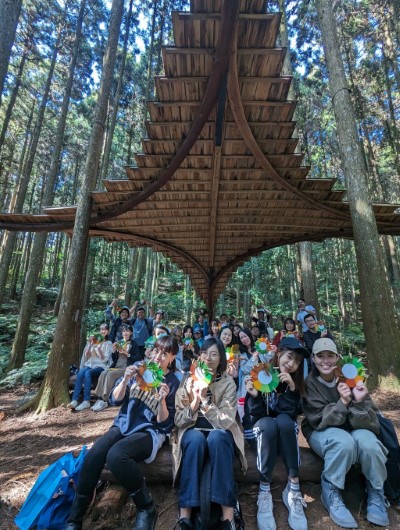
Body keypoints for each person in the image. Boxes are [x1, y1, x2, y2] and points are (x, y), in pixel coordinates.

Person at [65, 335, 180, 530]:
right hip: (123, 424)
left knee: (116, 456)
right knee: (94, 456)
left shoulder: (173, 381)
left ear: (172, 357)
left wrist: (162, 400)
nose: (159, 356)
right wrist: (125, 379)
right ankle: (74, 519)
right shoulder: (139, 369)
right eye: (157, 351)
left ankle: (146, 507)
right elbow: (115, 400)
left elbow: (165, 425)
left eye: (165, 353)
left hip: (149, 431)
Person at [302, 338, 389, 528]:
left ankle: (376, 491)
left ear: (337, 357)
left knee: (369, 443)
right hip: (322, 431)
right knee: (343, 442)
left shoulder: (352, 378)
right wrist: (342, 403)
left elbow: (372, 423)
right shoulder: (309, 383)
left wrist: (357, 401)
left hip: (354, 429)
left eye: (330, 356)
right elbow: (320, 421)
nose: (326, 361)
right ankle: (331, 491)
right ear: (313, 359)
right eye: (320, 356)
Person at [172, 338, 247, 530]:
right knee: (195, 440)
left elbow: (226, 421)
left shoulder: (228, 383)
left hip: (220, 432)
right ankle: (185, 517)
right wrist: (195, 401)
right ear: (199, 356)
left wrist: (206, 402)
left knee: (218, 437)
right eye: (205, 353)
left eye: (214, 354)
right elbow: (179, 420)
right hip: (192, 431)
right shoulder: (188, 381)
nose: (208, 358)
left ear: (221, 358)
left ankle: (228, 517)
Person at [243, 337, 309, 530]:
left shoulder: (295, 384)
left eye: (297, 362)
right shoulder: (261, 374)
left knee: (284, 422)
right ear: (278, 353)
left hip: (282, 435)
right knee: (269, 425)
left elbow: (287, 417)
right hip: (259, 432)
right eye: (289, 357)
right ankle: (264, 490)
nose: (291, 364)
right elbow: (256, 417)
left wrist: (291, 390)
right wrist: (254, 397)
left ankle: (293, 488)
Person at [92, 324, 140, 412]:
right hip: (116, 366)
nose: (125, 333)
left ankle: (105, 399)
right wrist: (114, 351)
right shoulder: (119, 342)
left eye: (127, 331)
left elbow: (137, 358)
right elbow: (114, 358)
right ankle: (99, 397)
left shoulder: (134, 344)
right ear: (122, 333)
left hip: (125, 368)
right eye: (124, 331)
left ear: (131, 333)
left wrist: (127, 354)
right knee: (104, 373)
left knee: (110, 374)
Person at [68, 324, 112, 411]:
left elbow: (105, 360)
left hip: (101, 366)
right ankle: (74, 400)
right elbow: (87, 356)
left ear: (108, 331)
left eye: (105, 329)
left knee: (88, 373)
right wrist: (91, 345)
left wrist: (99, 349)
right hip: (90, 364)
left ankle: (86, 401)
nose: (103, 331)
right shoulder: (94, 341)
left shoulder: (108, 343)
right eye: (101, 329)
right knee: (81, 373)